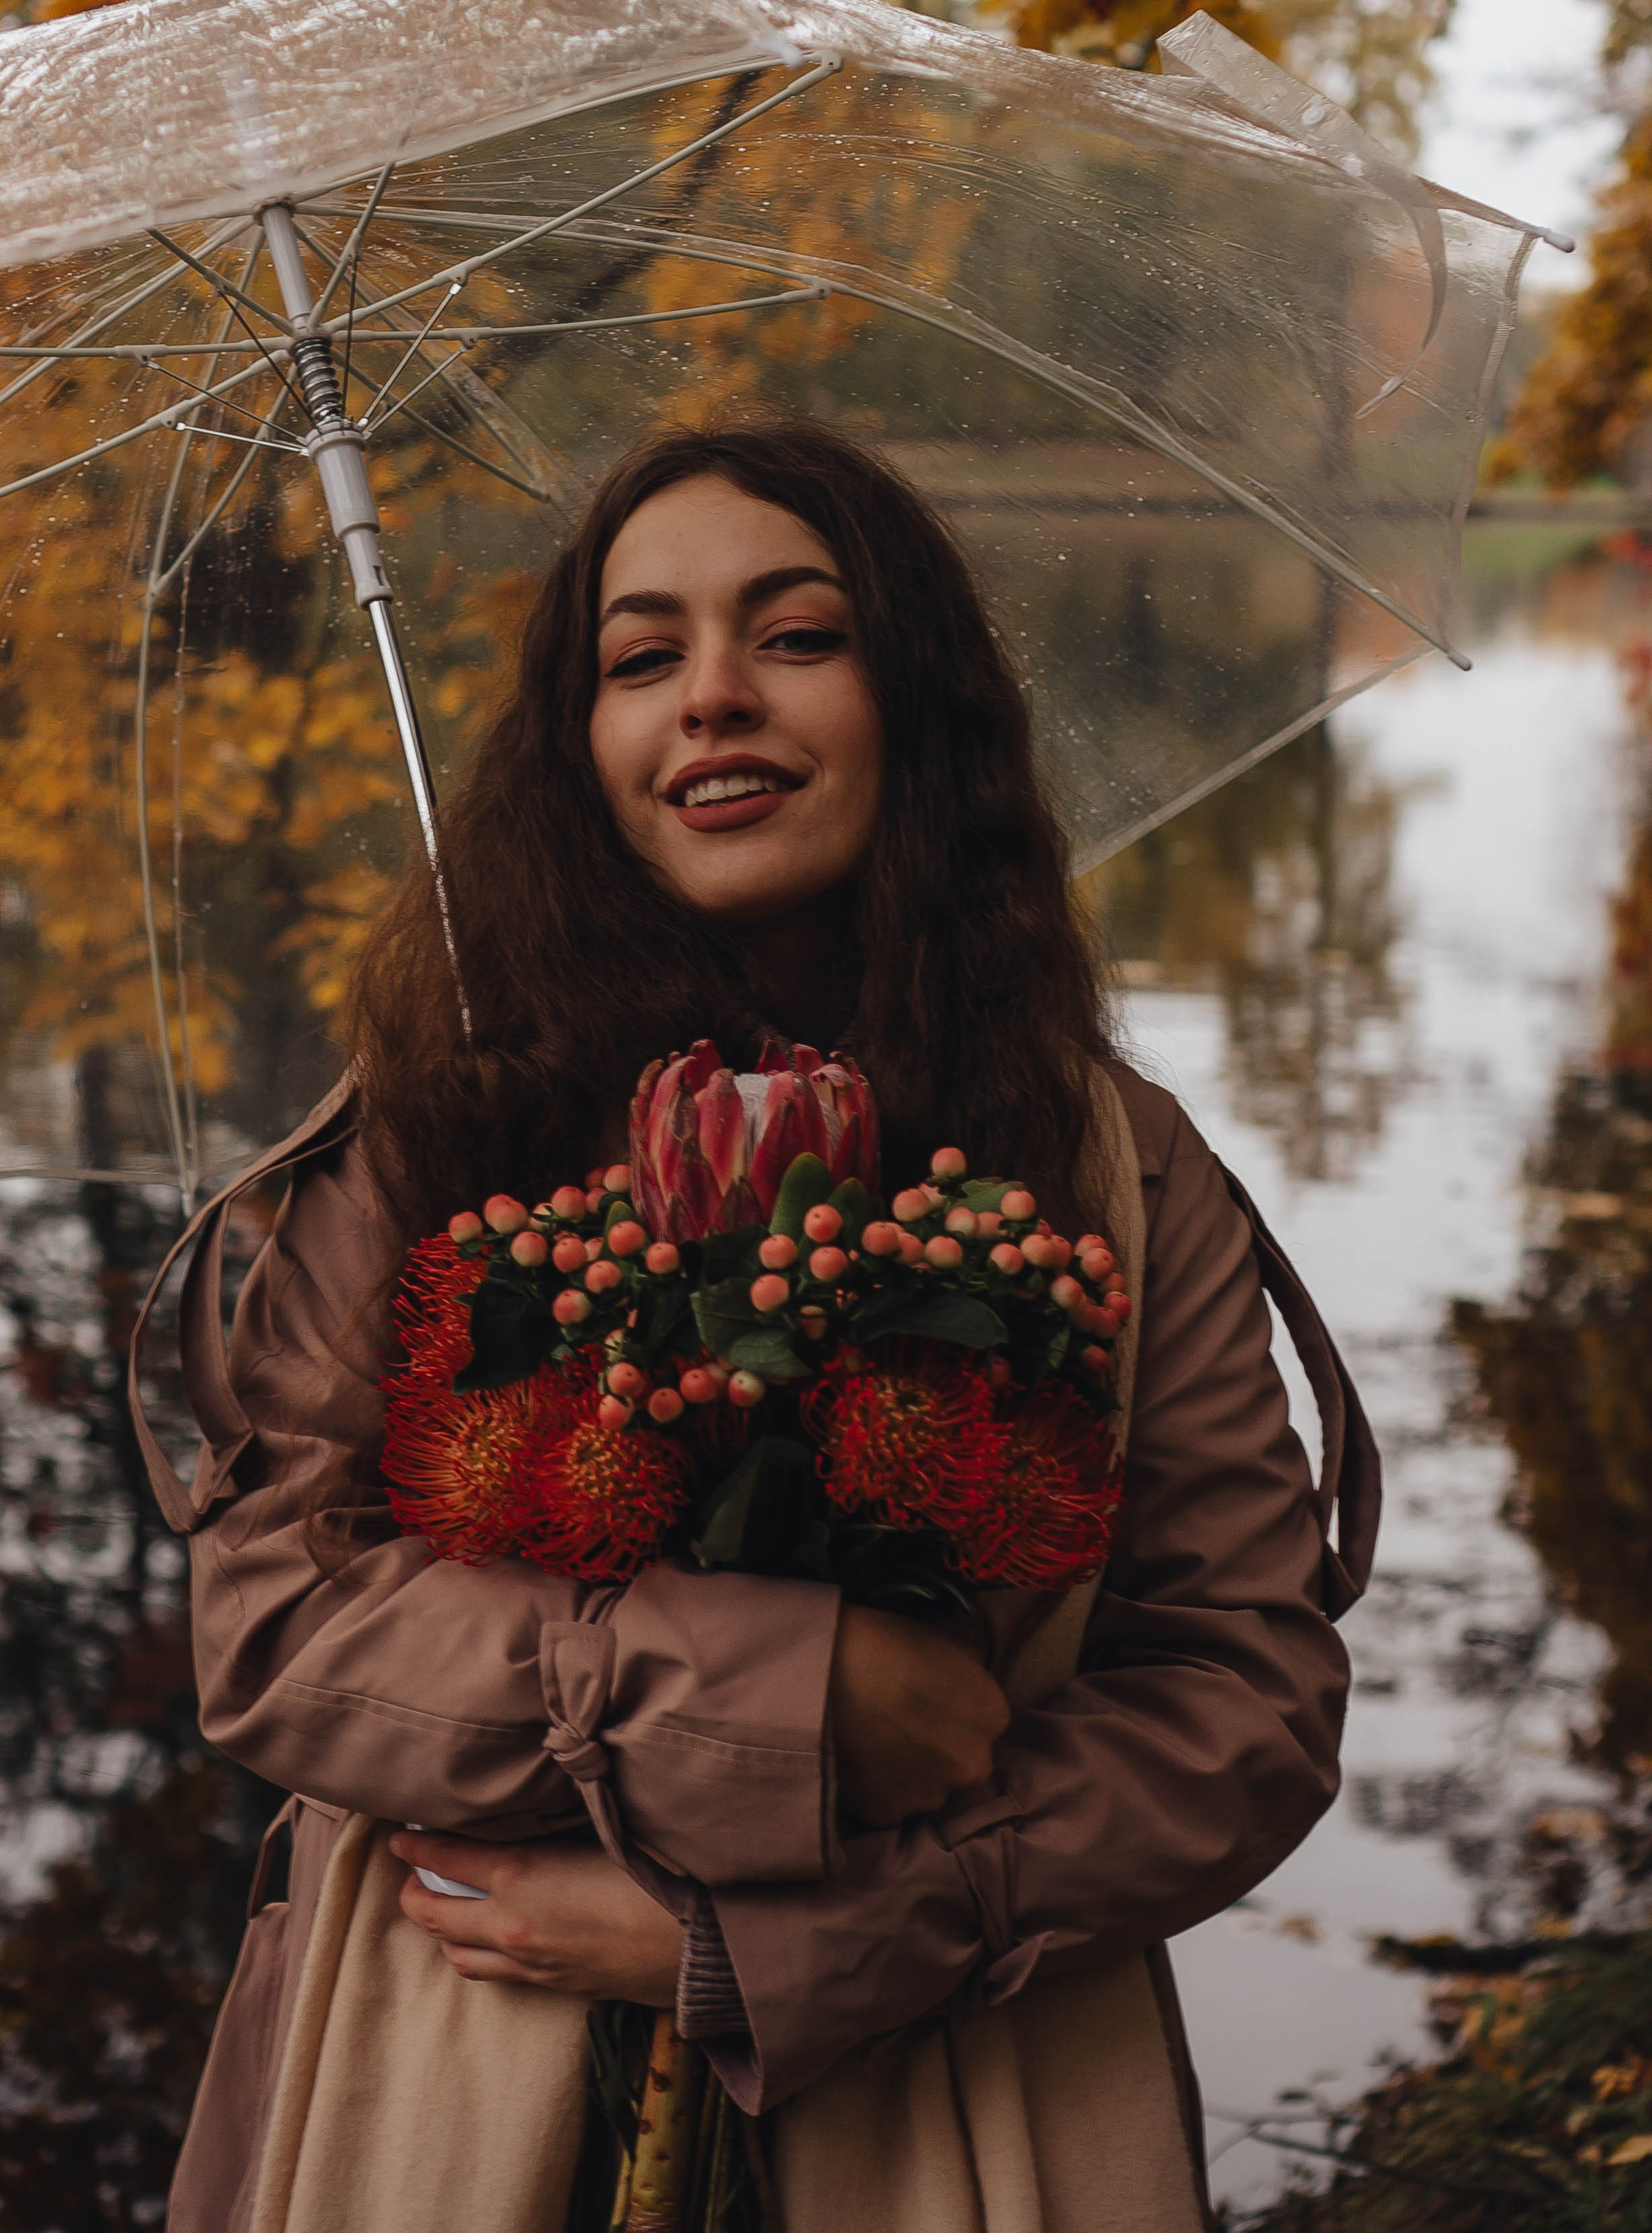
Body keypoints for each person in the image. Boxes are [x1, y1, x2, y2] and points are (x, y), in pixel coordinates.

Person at [131, 417, 1378, 2233]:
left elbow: (1246, 1700)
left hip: (959, 2090)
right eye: (644, 661)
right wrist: (770, 1706)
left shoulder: (1114, 1162)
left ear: (921, 706)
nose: (711, 698)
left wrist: (787, 1942)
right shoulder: (431, 1126)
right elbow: (270, 1626)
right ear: (585, 745)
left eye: (796, 638)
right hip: (464, 2068)